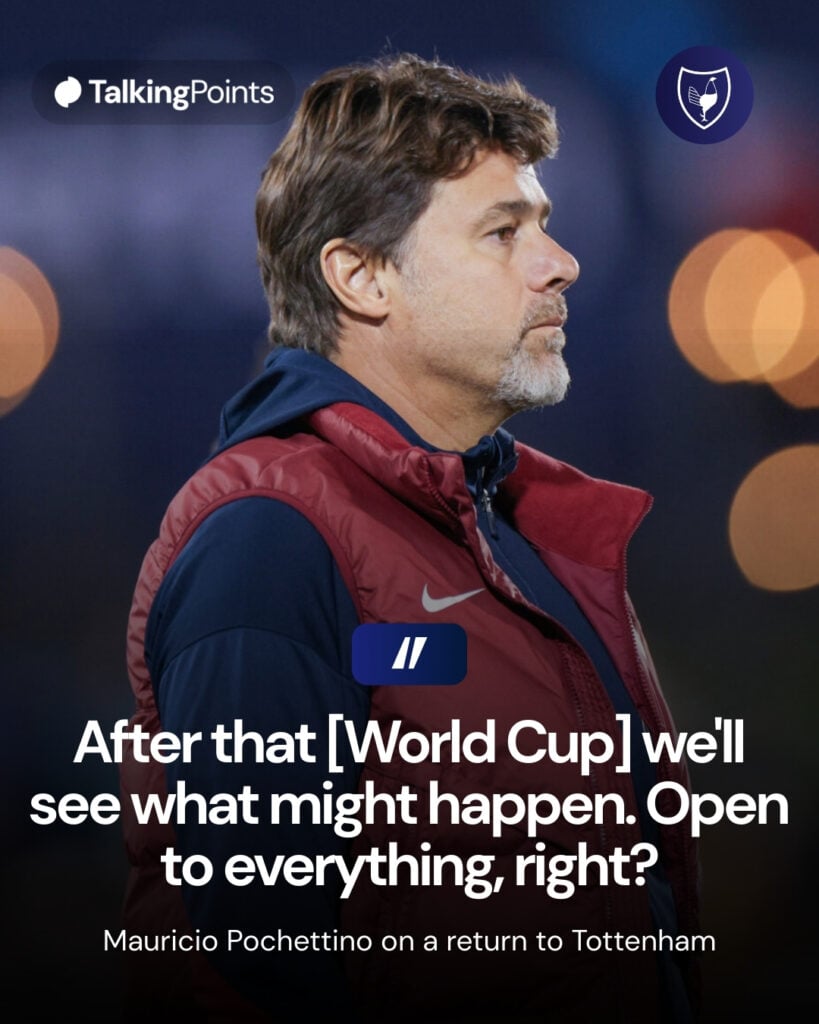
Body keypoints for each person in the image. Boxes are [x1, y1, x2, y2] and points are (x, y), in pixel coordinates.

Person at [121, 53, 700, 1023]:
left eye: (544, 225)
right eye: (502, 231)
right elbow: (245, 971)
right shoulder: (268, 543)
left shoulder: (511, 528)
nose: (560, 263)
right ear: (361, 276)